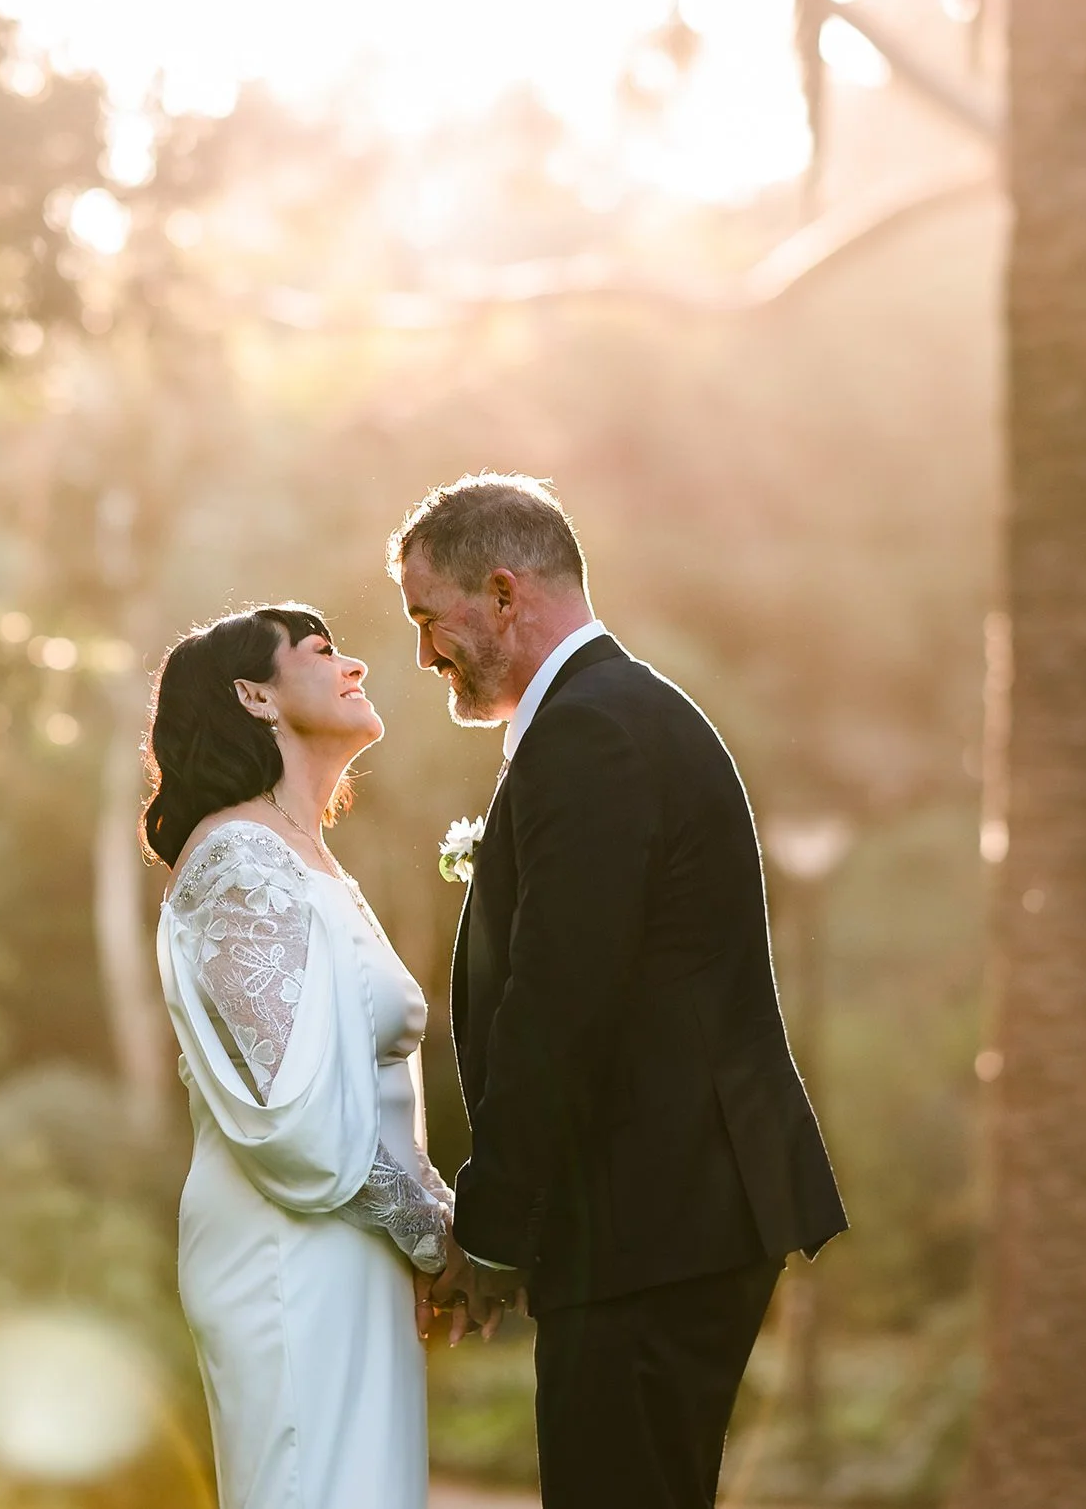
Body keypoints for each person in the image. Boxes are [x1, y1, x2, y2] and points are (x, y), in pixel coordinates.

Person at [393, 473, 848, 1509]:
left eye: (428, 617)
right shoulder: (612, 718)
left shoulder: (592, 734)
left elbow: (557, 1005)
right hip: (669, 1212)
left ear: (502, 595)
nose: (423, 652)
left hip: (653, 1218)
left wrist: (495, 1229)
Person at [145, 605, 477, 1509]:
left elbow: (369, 1093)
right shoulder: (239, 862)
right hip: (288, 1253)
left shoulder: (307, 857)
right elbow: (291, 1116)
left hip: (352, 1247)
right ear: (253, 694)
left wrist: (434, 1228)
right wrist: (430, 1235)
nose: (360, 665)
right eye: (326, 652)